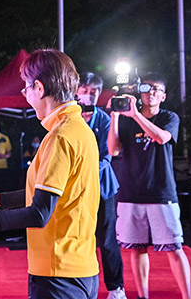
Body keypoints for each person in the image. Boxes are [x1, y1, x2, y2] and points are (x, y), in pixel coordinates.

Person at [0, 49, 101, 299]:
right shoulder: (79, 129)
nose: (25, 94)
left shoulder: (60, 137)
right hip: (79, 266)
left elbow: (39, 214)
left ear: (38, 87)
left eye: (26, 87)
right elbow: (42, 194)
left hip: (58, 272)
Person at [108, 73, 191, 299]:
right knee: (137, 248)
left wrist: (135, 115)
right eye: (146, 87)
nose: (151, 92)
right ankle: (142, 295)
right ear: (140, 92)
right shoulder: (126, 120)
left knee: (174, 247)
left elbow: (162, 138)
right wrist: (115, 116)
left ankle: (187, 296)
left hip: (161, 192)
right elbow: (113, 150)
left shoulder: (168, 117)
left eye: (156, 89)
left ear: (163, 96)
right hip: (130, 192)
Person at [77, 71, 125, 299]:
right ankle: (82, 286)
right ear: (76, 92)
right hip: (75, 190)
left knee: (107, 241)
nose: (89, 95)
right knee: (79, 239)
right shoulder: (70, 118)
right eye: (85, 91)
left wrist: (88, 171)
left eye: (94, 91)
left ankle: (116, 288)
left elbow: (108, 154)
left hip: (103, 188)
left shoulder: (105, 119)